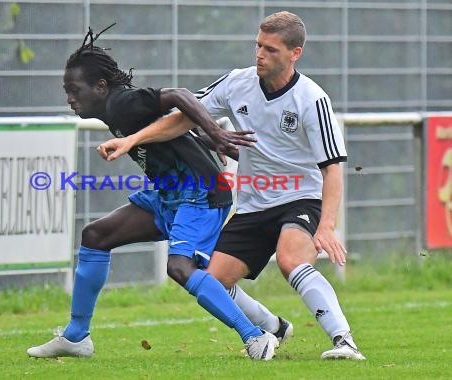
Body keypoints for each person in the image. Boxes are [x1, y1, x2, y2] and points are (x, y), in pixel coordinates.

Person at [98, 11, 365, 360]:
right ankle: (274, 328)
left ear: (294, 53)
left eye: (270, 49)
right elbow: (182, 119)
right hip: (254, 204)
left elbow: (332, 168)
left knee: (290, 260)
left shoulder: (312, 100)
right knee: (213, 280)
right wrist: (132, 140)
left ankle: (344, 341)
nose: (260, 55)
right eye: (258, 45)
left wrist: (327, 224)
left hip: (302, 198)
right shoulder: (238, 82)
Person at [26, 25, 282, 361]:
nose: (70, 99)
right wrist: (204, 140)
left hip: (200, 194)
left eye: (75, 90)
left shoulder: (122, 104)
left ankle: (256, 337)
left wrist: (215, 135)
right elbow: (169, 126)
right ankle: (76, 337)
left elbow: (179, 95)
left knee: (179, 268)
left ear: (101, 87)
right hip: (170, 195)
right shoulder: (115, 110)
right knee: (95, 236)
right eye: (67, 91)